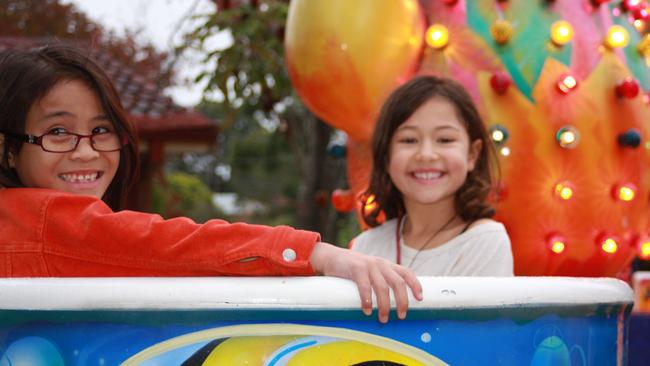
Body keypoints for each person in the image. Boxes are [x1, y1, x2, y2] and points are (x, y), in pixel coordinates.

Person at [0, 44, 422, 323]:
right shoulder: (43, 220)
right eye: (58, 132)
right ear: (8, 150)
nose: (86, 151)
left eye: (102, 129)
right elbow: (166, 245)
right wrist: (317, 253)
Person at [350, 76, 513, 276]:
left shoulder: (484, 241)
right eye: (409, 140)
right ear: (385, 156)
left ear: (472, 154)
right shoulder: (365, 247)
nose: (426, 154)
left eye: (444, 139)